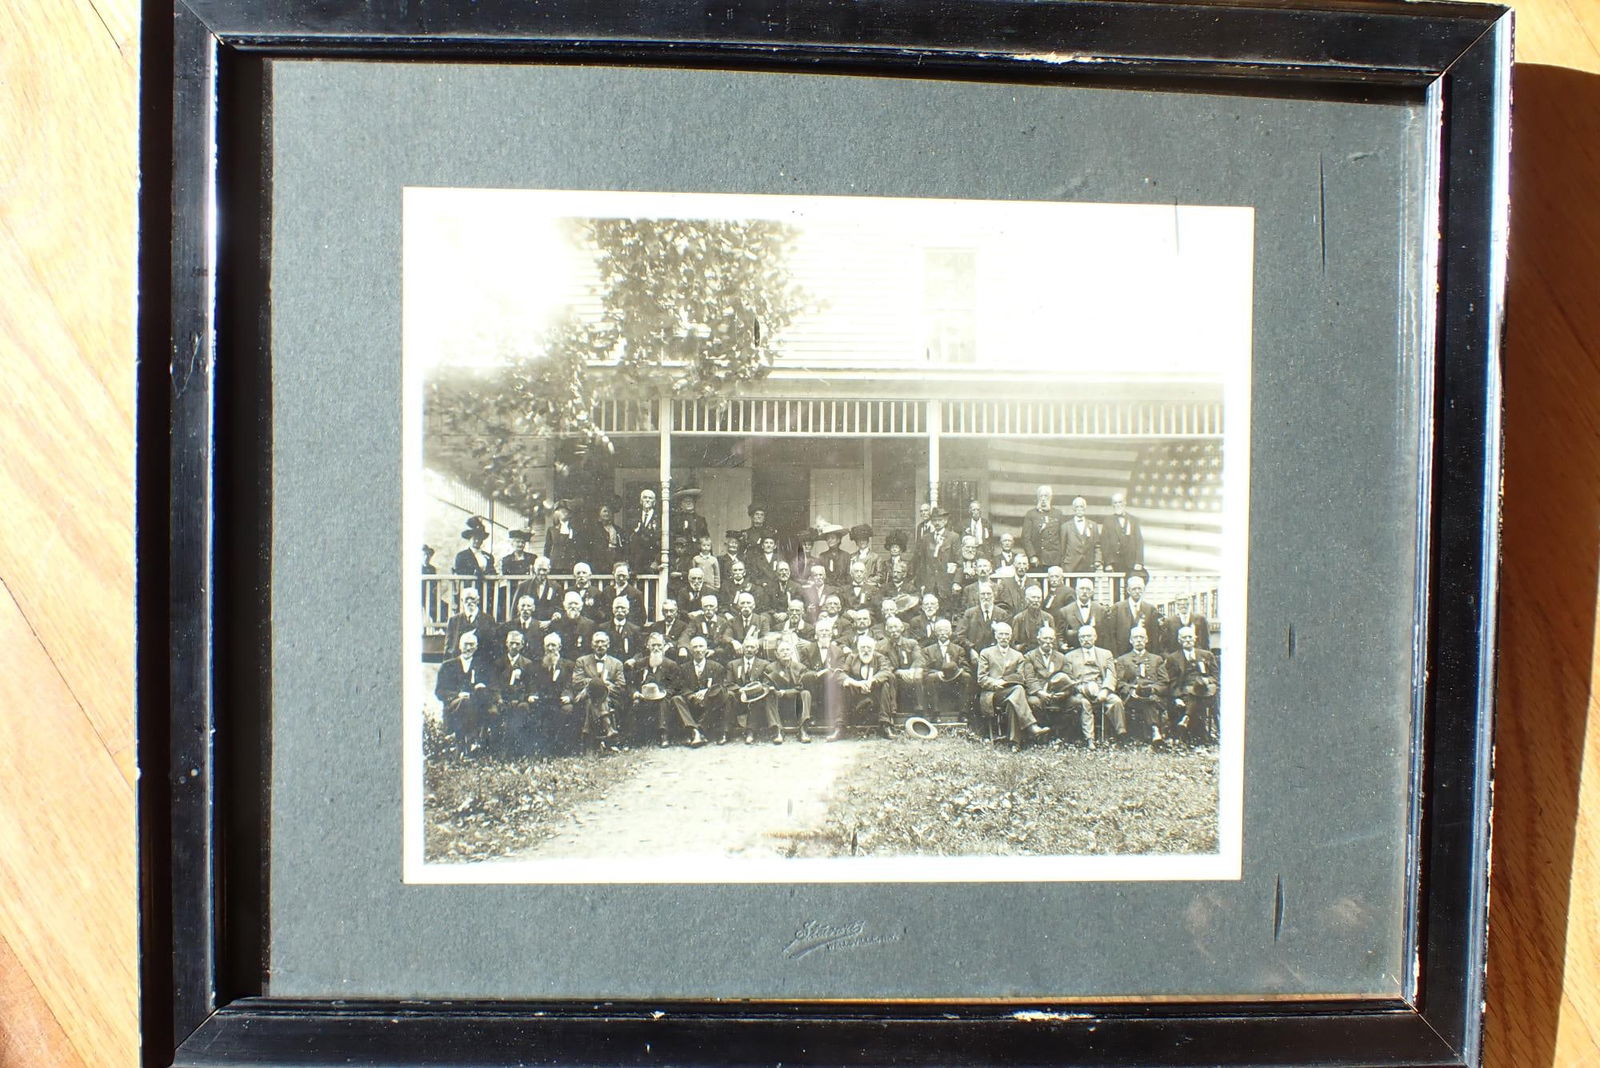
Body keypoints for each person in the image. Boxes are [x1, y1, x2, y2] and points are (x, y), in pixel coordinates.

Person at [629, 631, 707, 748]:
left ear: (664, 645)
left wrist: (662, 693)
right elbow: (632, 683)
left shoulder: (671, 665)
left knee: (663, 703)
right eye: (653, 645)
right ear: (648, 646)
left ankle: (663, 735)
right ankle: (635, 738)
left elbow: (675, 686)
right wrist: (635, 693)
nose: (656, 648)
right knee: (634, 704)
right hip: (643, 698)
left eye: (659, 645)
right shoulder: (640, 663)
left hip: (664, 698)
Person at [976, 622, 1048, 747]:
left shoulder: (1018, 655)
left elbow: (1020, 677)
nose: (1004, 637)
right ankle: (1031, 726)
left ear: (1011, 636)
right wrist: (994, 683)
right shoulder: (986, 653)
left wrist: (1004, 681)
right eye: (1001, 634)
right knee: (1018, 691)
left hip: (1011, 692)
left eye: (1006, 634)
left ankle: (1015, 743)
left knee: (1014, 699)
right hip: (993, 694)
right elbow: (981, 678)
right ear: (996, 636)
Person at [1063, 624, 1126, 748]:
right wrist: (1080, 688)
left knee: (1116, 702)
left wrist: (1105, 690)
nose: (1085, 639)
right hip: (1081, 689)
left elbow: (1111, 675)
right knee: (1085, 704)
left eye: (1088, 636)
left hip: (1101, 688)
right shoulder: (1069, 656)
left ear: (1095, 637)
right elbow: (1068, 678)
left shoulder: (1106, 654)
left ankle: (1121, 734)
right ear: (1079, 639)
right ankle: (1089, 739)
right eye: (1082, 637)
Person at [435, 632, 494, 753]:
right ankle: (463, 744)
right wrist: (457, 695)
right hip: (454, 705)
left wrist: (481, 687)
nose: (468, 648)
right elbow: (439, 691)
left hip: (477, 705)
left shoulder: (482, 666)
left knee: (472, 703)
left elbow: (491, 688)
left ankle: (468, 745)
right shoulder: (448, 666)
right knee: (463, 703)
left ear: (476, 647)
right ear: (460, 646)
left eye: (472, 645)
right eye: (466, 644)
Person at [1165, 625, 1220, 745]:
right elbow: (1172, 681)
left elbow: (1216, 676)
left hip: (1206, 691)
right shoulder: (1173, 658)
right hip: (1185, 692)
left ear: (1195, 638)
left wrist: (1208, 680)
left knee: (1196, 692)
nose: (1188, 640)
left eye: (1190, 637)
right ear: (1179, 640)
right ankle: (1200, 737)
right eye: (1184, 638)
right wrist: (1177, 697)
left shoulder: (1207, 655)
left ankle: (1186, 718)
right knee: (1193, 696)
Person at [1115, 625, 1169, 745]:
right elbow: (1120, 683)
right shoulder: (1123, 660)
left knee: (1148, 698)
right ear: (1130, 641)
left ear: (1146, 640)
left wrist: (1153, 690)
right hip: (1133, 696)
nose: (1138, 640)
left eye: (1141, 637)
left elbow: (1164, 682)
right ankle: (1155, 731)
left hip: (1153, 695)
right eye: (1135, 638)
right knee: (1144, 698)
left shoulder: (1156, 659)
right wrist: (1131, 690)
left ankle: (1153, 732)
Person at [572, 630, 625, 751]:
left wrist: (603, 687)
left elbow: (621, 686)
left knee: (593, 701)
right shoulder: (582, 661)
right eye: (597, 642)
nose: (600, 645)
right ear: (592, 644)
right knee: (596, 687)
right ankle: (608, 730)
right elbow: (577, 682)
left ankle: (589, 736)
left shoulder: (617, 664)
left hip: (609, 697)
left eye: (603, 642)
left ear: (608, 644)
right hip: (586, 696)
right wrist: (596, 683)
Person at [1022, 627, 1076, 741]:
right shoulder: (1029, 656)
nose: (1048, 642)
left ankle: (1060, 735)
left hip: (1057, 693)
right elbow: (1029, 678)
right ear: (1038, 639)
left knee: (1075, 702)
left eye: (1051, 639)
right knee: (1034, 702)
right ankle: (1041, 735)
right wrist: (1040, 692)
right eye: (1045, 638)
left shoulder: (1061, 657)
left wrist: (1064, 693)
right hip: (1038, 693)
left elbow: (1070, 678)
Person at [838, 633, 895, 739]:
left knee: (885, 685)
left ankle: (885, 725)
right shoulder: (851, 657)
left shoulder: (880, 657)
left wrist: (872, 680)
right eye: (863, 647)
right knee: (844, 685)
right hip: (856, 693)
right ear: (858, 649)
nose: (866, 650)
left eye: (869, 647)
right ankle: (840, 727)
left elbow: (886, 671)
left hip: (875, 694)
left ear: (873, 649)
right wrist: (857, 683)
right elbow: (841, 673)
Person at [530, 632, 576, 756]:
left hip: (560, 700)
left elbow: (571, 684)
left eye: (553, 645)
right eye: (547, 645)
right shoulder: (538, 664)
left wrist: (568, 696)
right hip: (543, 700)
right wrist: (532, 694)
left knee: (567, 709)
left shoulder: (569, 665)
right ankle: (541, 749)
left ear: (559, 647)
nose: (550, 648)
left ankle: (560, 748)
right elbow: (533, 683)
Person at [764, 634, 816, 743]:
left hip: (796, 704)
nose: (785, 652)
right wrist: (774, 690)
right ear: (777, 654)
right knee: (769, 695)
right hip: (779, 705)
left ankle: (802, 730)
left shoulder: (800, 667)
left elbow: (801, 687)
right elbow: (767, 685)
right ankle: (778, 731)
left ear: (792, 653)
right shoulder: (770, 668)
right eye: (782, 650)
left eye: (788, 649)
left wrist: (785, 692)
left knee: (806, 693)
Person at [728, 639, 780, 745]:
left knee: (760, 697)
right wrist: (740, 690)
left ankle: (751, 732)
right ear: (742, 649)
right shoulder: (733, 664)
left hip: (757, 697)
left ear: (757, 650)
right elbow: (728, 683)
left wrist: (753, 690)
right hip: (739, 697)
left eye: (752, 647)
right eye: (747, 647)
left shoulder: (764, 664)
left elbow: (766, 682)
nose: (749, 649)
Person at [920, 618, 972, 722]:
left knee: (967, 677)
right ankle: (935, 714)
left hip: (955, 681)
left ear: (950, 632)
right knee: (930, 677)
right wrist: (937, 673)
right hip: (936, 681)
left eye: (945, 630)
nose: (943, 633)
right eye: (940, 630)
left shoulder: (958, 649)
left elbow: (965, 667)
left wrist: (956, 671)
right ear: (935, 632)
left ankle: (963, 714)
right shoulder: (927, 650)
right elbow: (925, 669)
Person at [495, 629, 537, 756]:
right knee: (496, 712)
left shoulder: (527, 664)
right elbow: (494, 685)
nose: (514, 646)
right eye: (511, 643)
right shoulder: (498, 663)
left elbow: (531, 686)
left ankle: (517, 749)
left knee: (522, 709)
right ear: (506, 644)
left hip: (520, 700)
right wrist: (499, 699)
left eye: (517, 644)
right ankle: (499, 748)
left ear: (522, 645)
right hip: (502, 699)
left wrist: (522, 698)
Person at [678, 635, 727, 744]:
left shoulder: (717, 667)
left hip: (709, 703)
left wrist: (706, 691)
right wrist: (691, 695)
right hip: (691, 702)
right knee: (676, 699)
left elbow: (720, 686)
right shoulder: (683, 668)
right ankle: (694, 730)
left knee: (719, 694)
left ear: (706, 649)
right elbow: (681, 686)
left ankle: (698, 730)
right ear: (690, 650)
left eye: (701, 646)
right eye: (695, 647)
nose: (698, 650)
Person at [1105, 573, 1164, 657]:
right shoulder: (1117, 608)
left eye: (1139, 589)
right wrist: (1115, 655)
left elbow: (1154, 636)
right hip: (1122, 654)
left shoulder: (1150, 609)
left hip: (1144, 653)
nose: (1137, 591)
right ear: (1128, 590)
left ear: (1143, 590)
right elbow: (1111, 635)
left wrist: (1153, 655)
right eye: (1134, 589)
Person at [879, 614, 924, 720]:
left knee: (918, 675)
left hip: (911, 673)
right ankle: (893, 711)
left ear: (902, 628)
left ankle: (919, 708)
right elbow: (885, 664)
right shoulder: (883, 648)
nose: (893, 630)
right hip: (896, 674)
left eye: (896, 627)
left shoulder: (912, 643)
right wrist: (899, 672)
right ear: (886, 630)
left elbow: (918, 659)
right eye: (890, 628)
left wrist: (912, 670)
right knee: (890, 677)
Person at [443, 585, 500, 663]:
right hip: (458, 665)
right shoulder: (454, 621)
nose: (469, 602)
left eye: (472, 599)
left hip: (480, 665)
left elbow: (493, 647)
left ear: (478, 600)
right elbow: (448, 647)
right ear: (462, 601)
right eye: (467, 599)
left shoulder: (488, 620)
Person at [1099, 491, 1145, 582]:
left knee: (1131, 588)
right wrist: (1108, 563)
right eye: (1115, 503)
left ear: (1125, 503)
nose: (1118, 505)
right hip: (1115, 564)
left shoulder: (1133, 521)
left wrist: (1139, 562)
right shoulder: (1108, 521)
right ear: (1112, 505)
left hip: (1131, 564)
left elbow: (1139, 542)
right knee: (1115, 591)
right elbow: (1104, 544)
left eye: (1120, 502)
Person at [913, 507, 959, 596]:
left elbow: (959, 562)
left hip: (947, 584)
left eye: (940, 520)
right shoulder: (926, 538)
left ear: (945, 521)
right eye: (934, 520)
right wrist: (922, 583)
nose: (937, 523)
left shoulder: (953, 537)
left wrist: (956, 582)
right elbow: (923, 563)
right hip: (930, 584)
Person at [1018, 486, 1064, 572]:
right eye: (1041, 496)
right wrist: (1032, 556)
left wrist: (1061, 557)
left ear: (1050, 498)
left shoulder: (1058, 514)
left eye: (1046, 496)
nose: (1043, 499)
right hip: (1038, 559)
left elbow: (1062, 537)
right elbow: (1025, 538)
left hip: (1055, 559)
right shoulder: (1031, 514)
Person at [958, 585, 1006, 655]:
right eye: (983, 594)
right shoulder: (970, 613)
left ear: (994, 596)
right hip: (974, 655)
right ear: (978, 596)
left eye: (988, 594)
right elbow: (961, 636)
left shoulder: (1002, 614)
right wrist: (970, 650)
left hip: (995, 655)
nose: (986, 597)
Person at [512, 556, 562, 620]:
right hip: (528, 626)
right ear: (534, 569)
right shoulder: (523, 586)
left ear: (549, 570)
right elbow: (514, 610)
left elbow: (559, 609)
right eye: (539, 569)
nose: (541, 572)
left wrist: (550, 622)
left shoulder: (556, 587)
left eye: (544, 570)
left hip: (548, 626)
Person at [626, 488, 662, 576]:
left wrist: (657, 561)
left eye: (650, 498)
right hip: (636, 561)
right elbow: (629, 538)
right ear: (641, 501)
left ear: (654, 502)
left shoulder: (659, 517)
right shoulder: (634, 516)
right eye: (645, 497)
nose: (647, 500)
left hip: (651, 561)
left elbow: (662, 540)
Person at [1062, 496, 1102, 575]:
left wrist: (1098, 560)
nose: (1079, 509)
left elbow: (1097, 545)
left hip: (1088, 565)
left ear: (1085, 508)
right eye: (1077, 506)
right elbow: (1063, 548)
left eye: (1081, 506)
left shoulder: (1093, 525)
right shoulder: (1066, 526)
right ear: (1073, 509)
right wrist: (1063, 564)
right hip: (1071, 566)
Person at [550, 591, 595, 659]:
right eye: (570, 603)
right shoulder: (557, 623)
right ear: (564, 605)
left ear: (581, 606)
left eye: (576, 604)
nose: (573, 606)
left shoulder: (589, 624)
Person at [542, 499, 580, 573]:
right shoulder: (552, 530)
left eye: (565, 511)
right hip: (555, 565)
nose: (563, 513)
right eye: (561, 511)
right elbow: (547, 549)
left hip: (571, 565)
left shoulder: (575, 530)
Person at [1009, 585, 1051, 653]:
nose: (1036, 600)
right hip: (1025, 653)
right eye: (1033, 597)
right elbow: (1014, 643)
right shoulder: (1019, 618)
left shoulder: (1048, 617)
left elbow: (1053, 642)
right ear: (1027, 599)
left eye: (1038, 598)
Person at [453, 516, 496, 582]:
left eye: (479, 538)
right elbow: (459, 572)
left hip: (486, 588)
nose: (477, 541)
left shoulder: (488, 556)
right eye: (474, 538)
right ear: (469, 539)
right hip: (469, 588)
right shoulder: (462, 555)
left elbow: (492, 571)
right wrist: (475, 572)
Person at [588, 502, 627, 574]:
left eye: (609, 511)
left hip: (614, 561)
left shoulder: (618, 530)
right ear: (599, 514)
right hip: (599, 562)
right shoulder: (594, 530)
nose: (607, 513)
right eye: (605, 511)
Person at [605, 596, 644, 664]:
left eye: (622, 608)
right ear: (613, 610)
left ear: (627, 610)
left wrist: (633, 660)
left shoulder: (635, 629)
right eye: (617, 608)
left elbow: (640, 651)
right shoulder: (604, 628)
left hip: (627, 667)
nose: (619, 611)